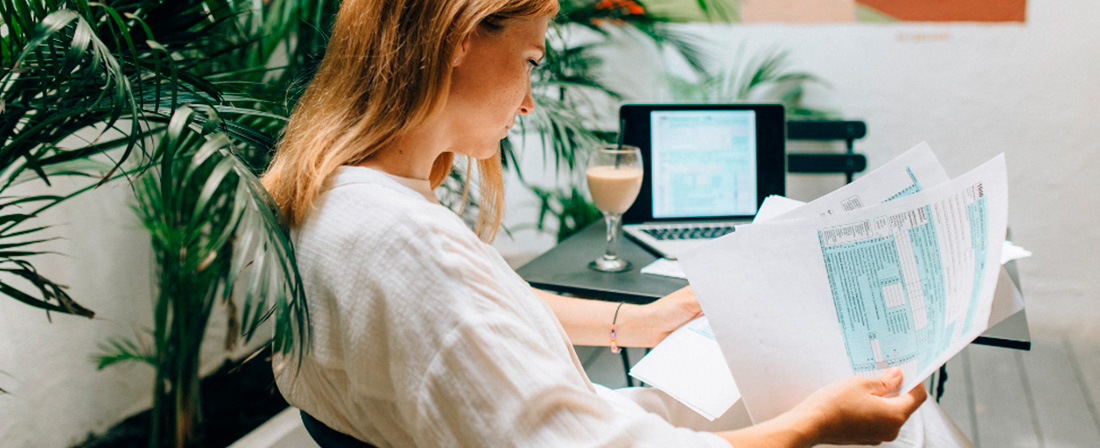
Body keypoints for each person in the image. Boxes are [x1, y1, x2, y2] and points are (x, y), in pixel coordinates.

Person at [261, 0, 931, 446]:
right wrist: (812, 425)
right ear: (461, 40)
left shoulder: (340, 198)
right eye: (529, 61)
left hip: (591, 416)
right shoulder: (402, 242)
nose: (528, 103)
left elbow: (480, 313)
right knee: (902, 415)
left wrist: (637, 323)